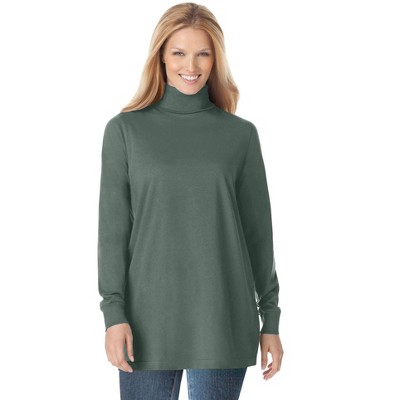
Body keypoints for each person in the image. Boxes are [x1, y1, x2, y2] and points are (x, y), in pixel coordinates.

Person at [97, 2, 284, 399]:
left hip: (222, 319)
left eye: (203, 53)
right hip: (145, 324)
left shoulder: (240, 136)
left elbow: (258, 236)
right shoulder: (125, 131)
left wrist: (270, 319)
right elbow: (112, 234)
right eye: (179, 52)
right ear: (161, 56)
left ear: (216, 59)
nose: (191, 66)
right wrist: (113, 314)